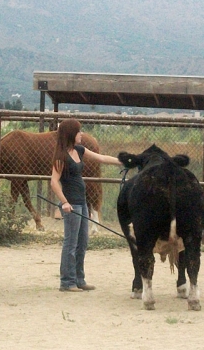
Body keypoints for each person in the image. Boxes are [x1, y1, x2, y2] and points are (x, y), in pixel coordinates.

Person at [50, 119, 123, 292]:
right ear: (70, 134)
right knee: (71, 243)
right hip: (72, 204)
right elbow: (54, 181)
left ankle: (79, 279)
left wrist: (122, 161)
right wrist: (65, 202)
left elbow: (101, 158)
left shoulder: (79, 150)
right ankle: (67, 282)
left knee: (82, 242)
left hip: (82, 202)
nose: (81, 134)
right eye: (78, 131)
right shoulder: (61, 157)